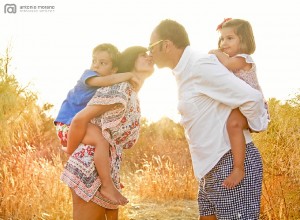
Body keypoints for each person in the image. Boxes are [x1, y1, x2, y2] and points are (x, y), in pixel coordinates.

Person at [149, 19, 269, 220]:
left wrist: (257, 124)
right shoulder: (183, 72)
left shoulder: (200, 64)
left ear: (167, 44)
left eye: (151, 46)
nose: (149, 52)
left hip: (230, 164)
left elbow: (252, 97)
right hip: (209, 171)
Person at [60, 46, 154, 220]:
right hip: (89, 166)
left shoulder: (129, 90)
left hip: (103, 167)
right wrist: (70, 149)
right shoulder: (120, 88)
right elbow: (80, 120)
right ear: (131, 60)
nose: (150, 57)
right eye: (143, 55)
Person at [208, 18, 269, 189]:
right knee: (227, 124)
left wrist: (215, 52)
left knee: (233, 124)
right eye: (222, 38)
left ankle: (239, 168)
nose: (223, 43)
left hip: (254, 107)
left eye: (229, 38)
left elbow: (227, 63)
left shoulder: (244, 58)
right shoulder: (230, 60)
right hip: (240, 105)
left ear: (243, 41)